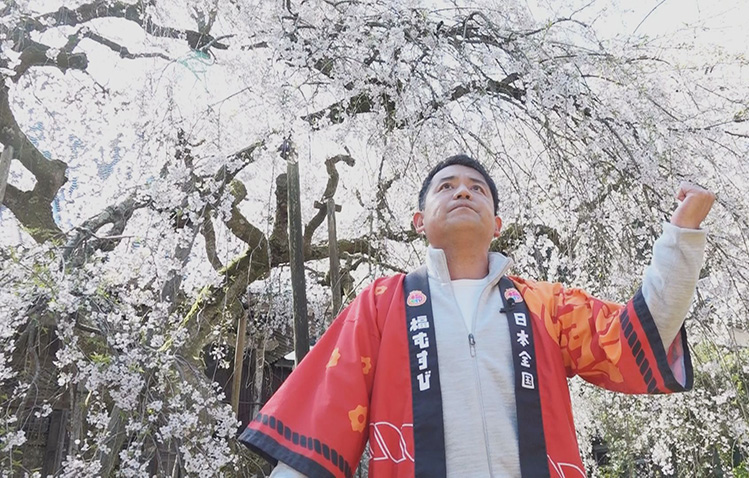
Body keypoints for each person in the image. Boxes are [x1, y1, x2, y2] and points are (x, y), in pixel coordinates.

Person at [240, 154, 715, 478]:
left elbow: (638, 334)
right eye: (446, 187)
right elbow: (324, 418)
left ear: (498, 224)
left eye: (477, 189)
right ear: (419, 221)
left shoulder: (546, 305)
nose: (463, 193)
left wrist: (682, 234)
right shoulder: (380, 304)